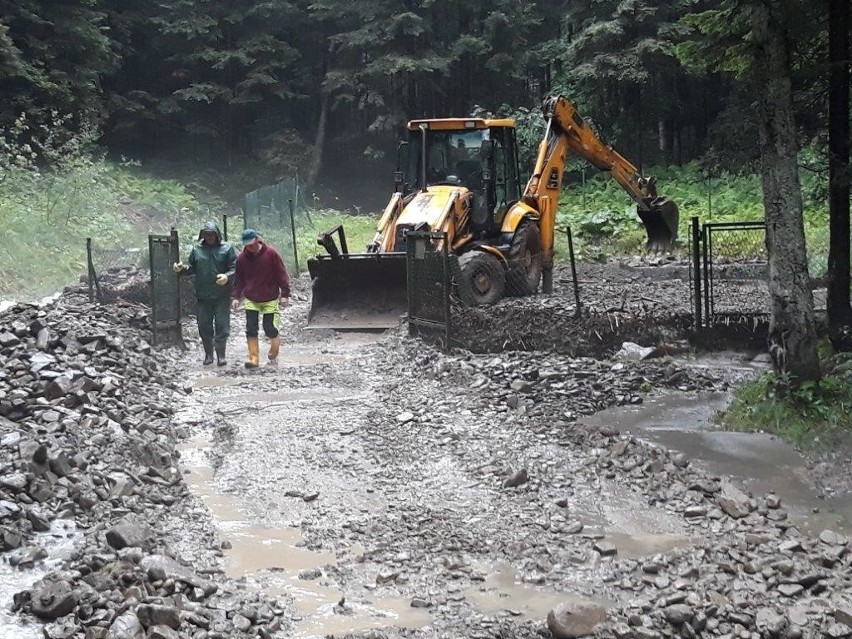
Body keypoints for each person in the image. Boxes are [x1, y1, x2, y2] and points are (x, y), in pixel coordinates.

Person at [173, 221, 236, 366]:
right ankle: (208, 354)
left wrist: (227, 277)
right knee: (203, 325)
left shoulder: (227, 249)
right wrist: (181, 269)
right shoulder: (197, 249)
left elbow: (234, 268)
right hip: (203, 296)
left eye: (212, 234)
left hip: (221, 295)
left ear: (217, 234)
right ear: (203, 235)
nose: (209, 237)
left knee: (222, 325)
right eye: (207, 234)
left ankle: (221, 355)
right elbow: (192, 268)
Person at [231, 229, 290, 368]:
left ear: (257, 240)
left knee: (269, 327)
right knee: (251, 328)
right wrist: (235, 297)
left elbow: (281, 273)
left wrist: (285, 294)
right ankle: (253, 359)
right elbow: (239, 279)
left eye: (251, 244)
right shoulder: (241, 259)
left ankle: (274, 350)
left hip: (270, 297)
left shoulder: (271, 254)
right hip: (251, 298)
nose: (249, 248)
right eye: (247, 245)